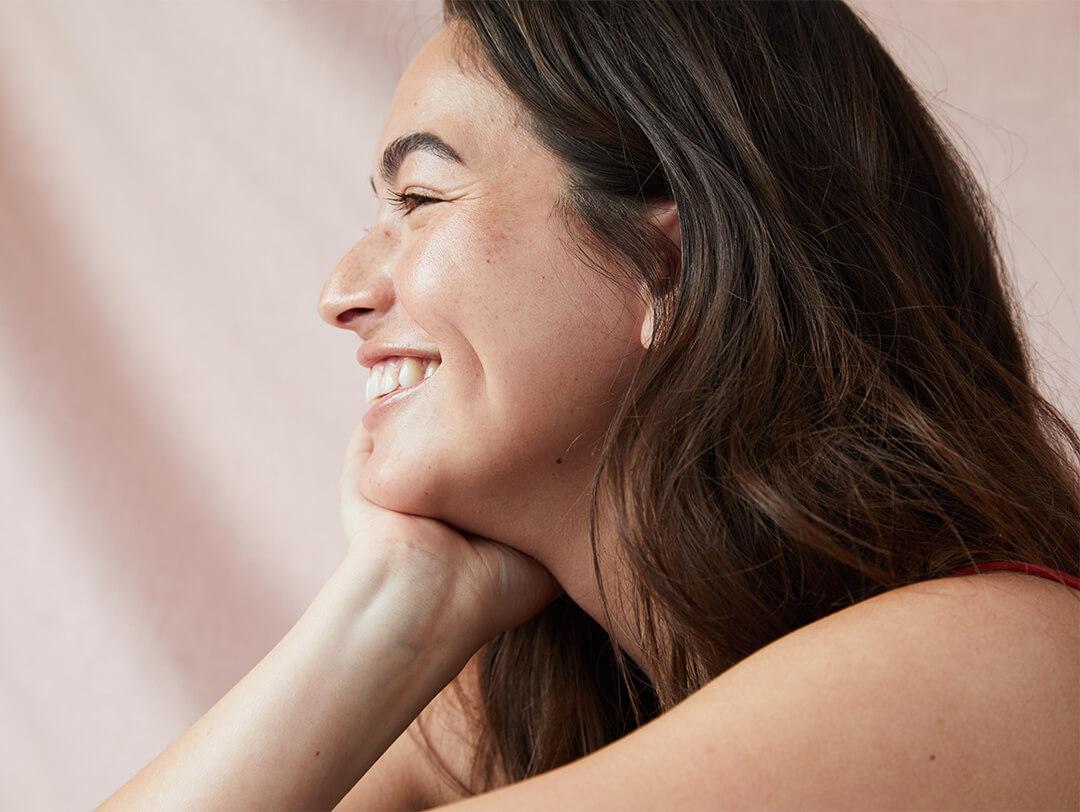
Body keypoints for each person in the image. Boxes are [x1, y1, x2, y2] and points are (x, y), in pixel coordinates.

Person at [100, 2, 1080, 809]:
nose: (340, 289)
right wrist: (394, 601)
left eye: (423, 198)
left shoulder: (1004, 660)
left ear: (667, 264)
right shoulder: (545, 695)